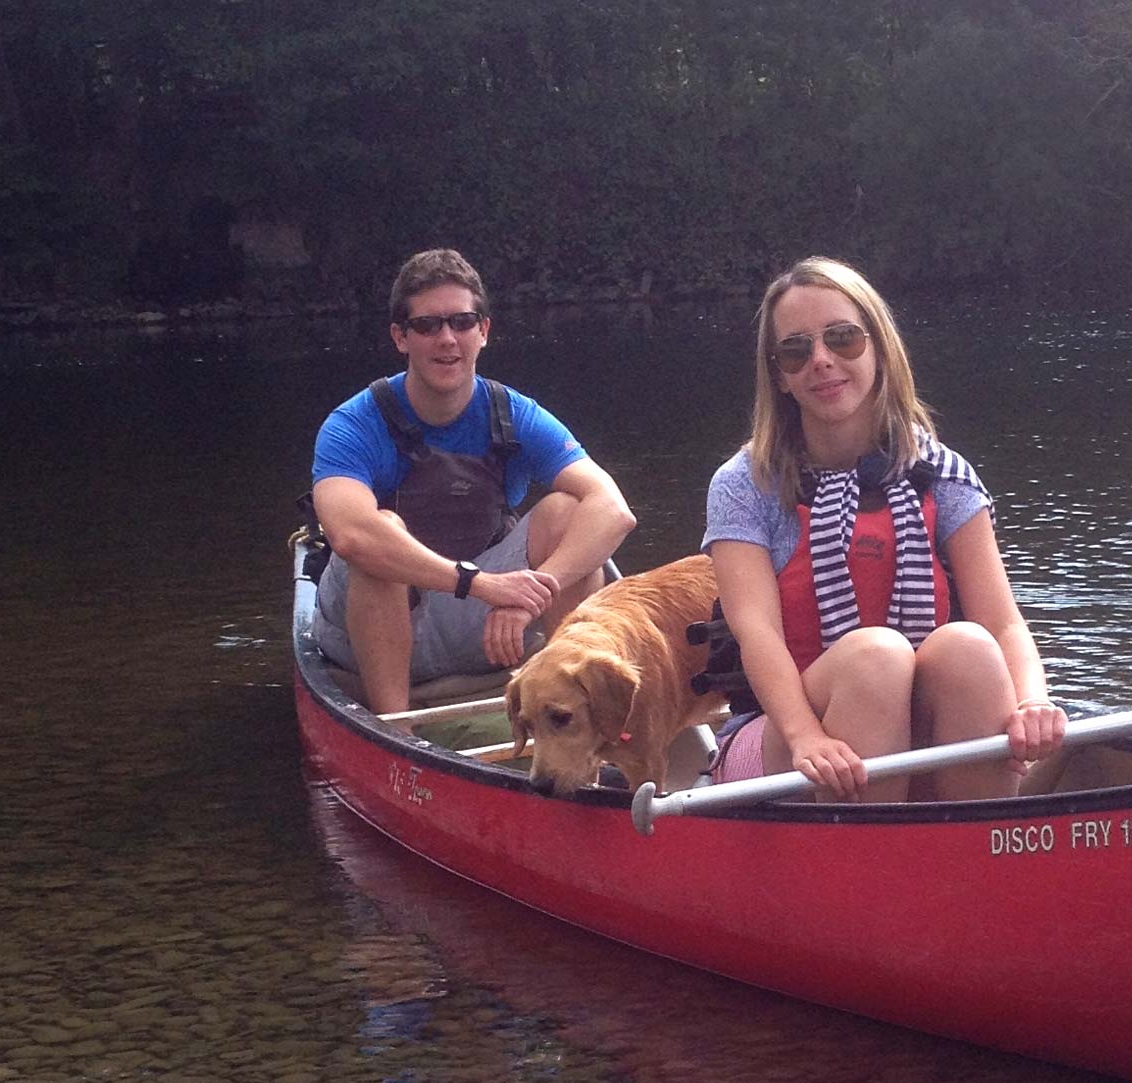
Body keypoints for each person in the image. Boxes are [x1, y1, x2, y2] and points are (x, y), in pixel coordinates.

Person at [702, 257, 1065, 802]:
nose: (821, 361)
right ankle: (858, 865)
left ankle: (975, 852)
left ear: (878, 347)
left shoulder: (945, 475)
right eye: (797, 350)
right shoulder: (745, 484)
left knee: (968, 645)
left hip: (919, 737)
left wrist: (1034, 701)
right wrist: (805, 738)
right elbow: (758, 635)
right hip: (786, 741)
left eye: (843, 338)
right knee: (877, 657)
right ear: (778, 374)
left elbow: (1003, 621)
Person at [308, 248, 636, 713]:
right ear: (400, 337)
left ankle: (580, 718)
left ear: (483, 331)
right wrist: (480, 584)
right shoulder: (352, 424)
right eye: (428, 325)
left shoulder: (516, 414)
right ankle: (396, 729)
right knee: (381, 532)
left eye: (462, 322)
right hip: (368, 633)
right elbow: (351, 535)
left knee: (567, 513)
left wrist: (532, 593)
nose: (448, 339)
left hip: (487, 627)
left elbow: (613, 510)